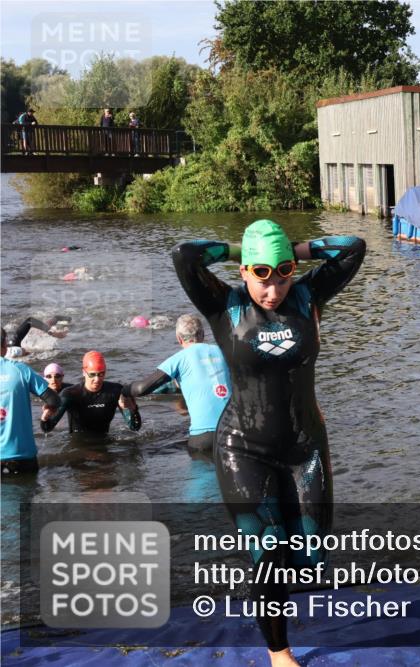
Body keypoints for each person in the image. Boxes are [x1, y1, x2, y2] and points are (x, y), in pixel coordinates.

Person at [172, 220, 365, 666]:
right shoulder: (224, 304)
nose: (273, 289)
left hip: (305, 448)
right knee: (269, 552)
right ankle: (279, 652)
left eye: (282, 273)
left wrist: (293, 249)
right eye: (260, 274)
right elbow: (185, 255)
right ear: (243, 271)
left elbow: (353, 248)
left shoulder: (308, 296)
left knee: (313, 555)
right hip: (244, 447)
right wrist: (241, 249)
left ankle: (269, 593)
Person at [122, 314, 231, 451]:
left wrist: (124, 391)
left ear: (179, 339)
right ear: (203, 334)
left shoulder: (178, 359)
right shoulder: (224, 351)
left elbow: (141, 389)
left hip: (203, 437)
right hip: (234, 431)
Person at [1, 328, 62, 475]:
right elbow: (54, 399)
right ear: (4, 346)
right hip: (22, 457)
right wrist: (48, 411)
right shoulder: (21, 370)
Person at [40, 351, 141, 435]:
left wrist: (133, 410)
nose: (97, 379)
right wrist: (45, 418)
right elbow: (47, 428)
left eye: (101, 374)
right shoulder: (70, 394)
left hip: (104, 443)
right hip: (79, 447)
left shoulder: (115, 391)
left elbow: (135, 427)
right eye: (92, 374)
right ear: (84, 372)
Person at [3, 316, 70, 359]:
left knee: (40, 331)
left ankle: (57, 318)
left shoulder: (12, 350)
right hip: (16, 348)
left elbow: (30, 321)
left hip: (14, 346)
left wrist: (53, 333)